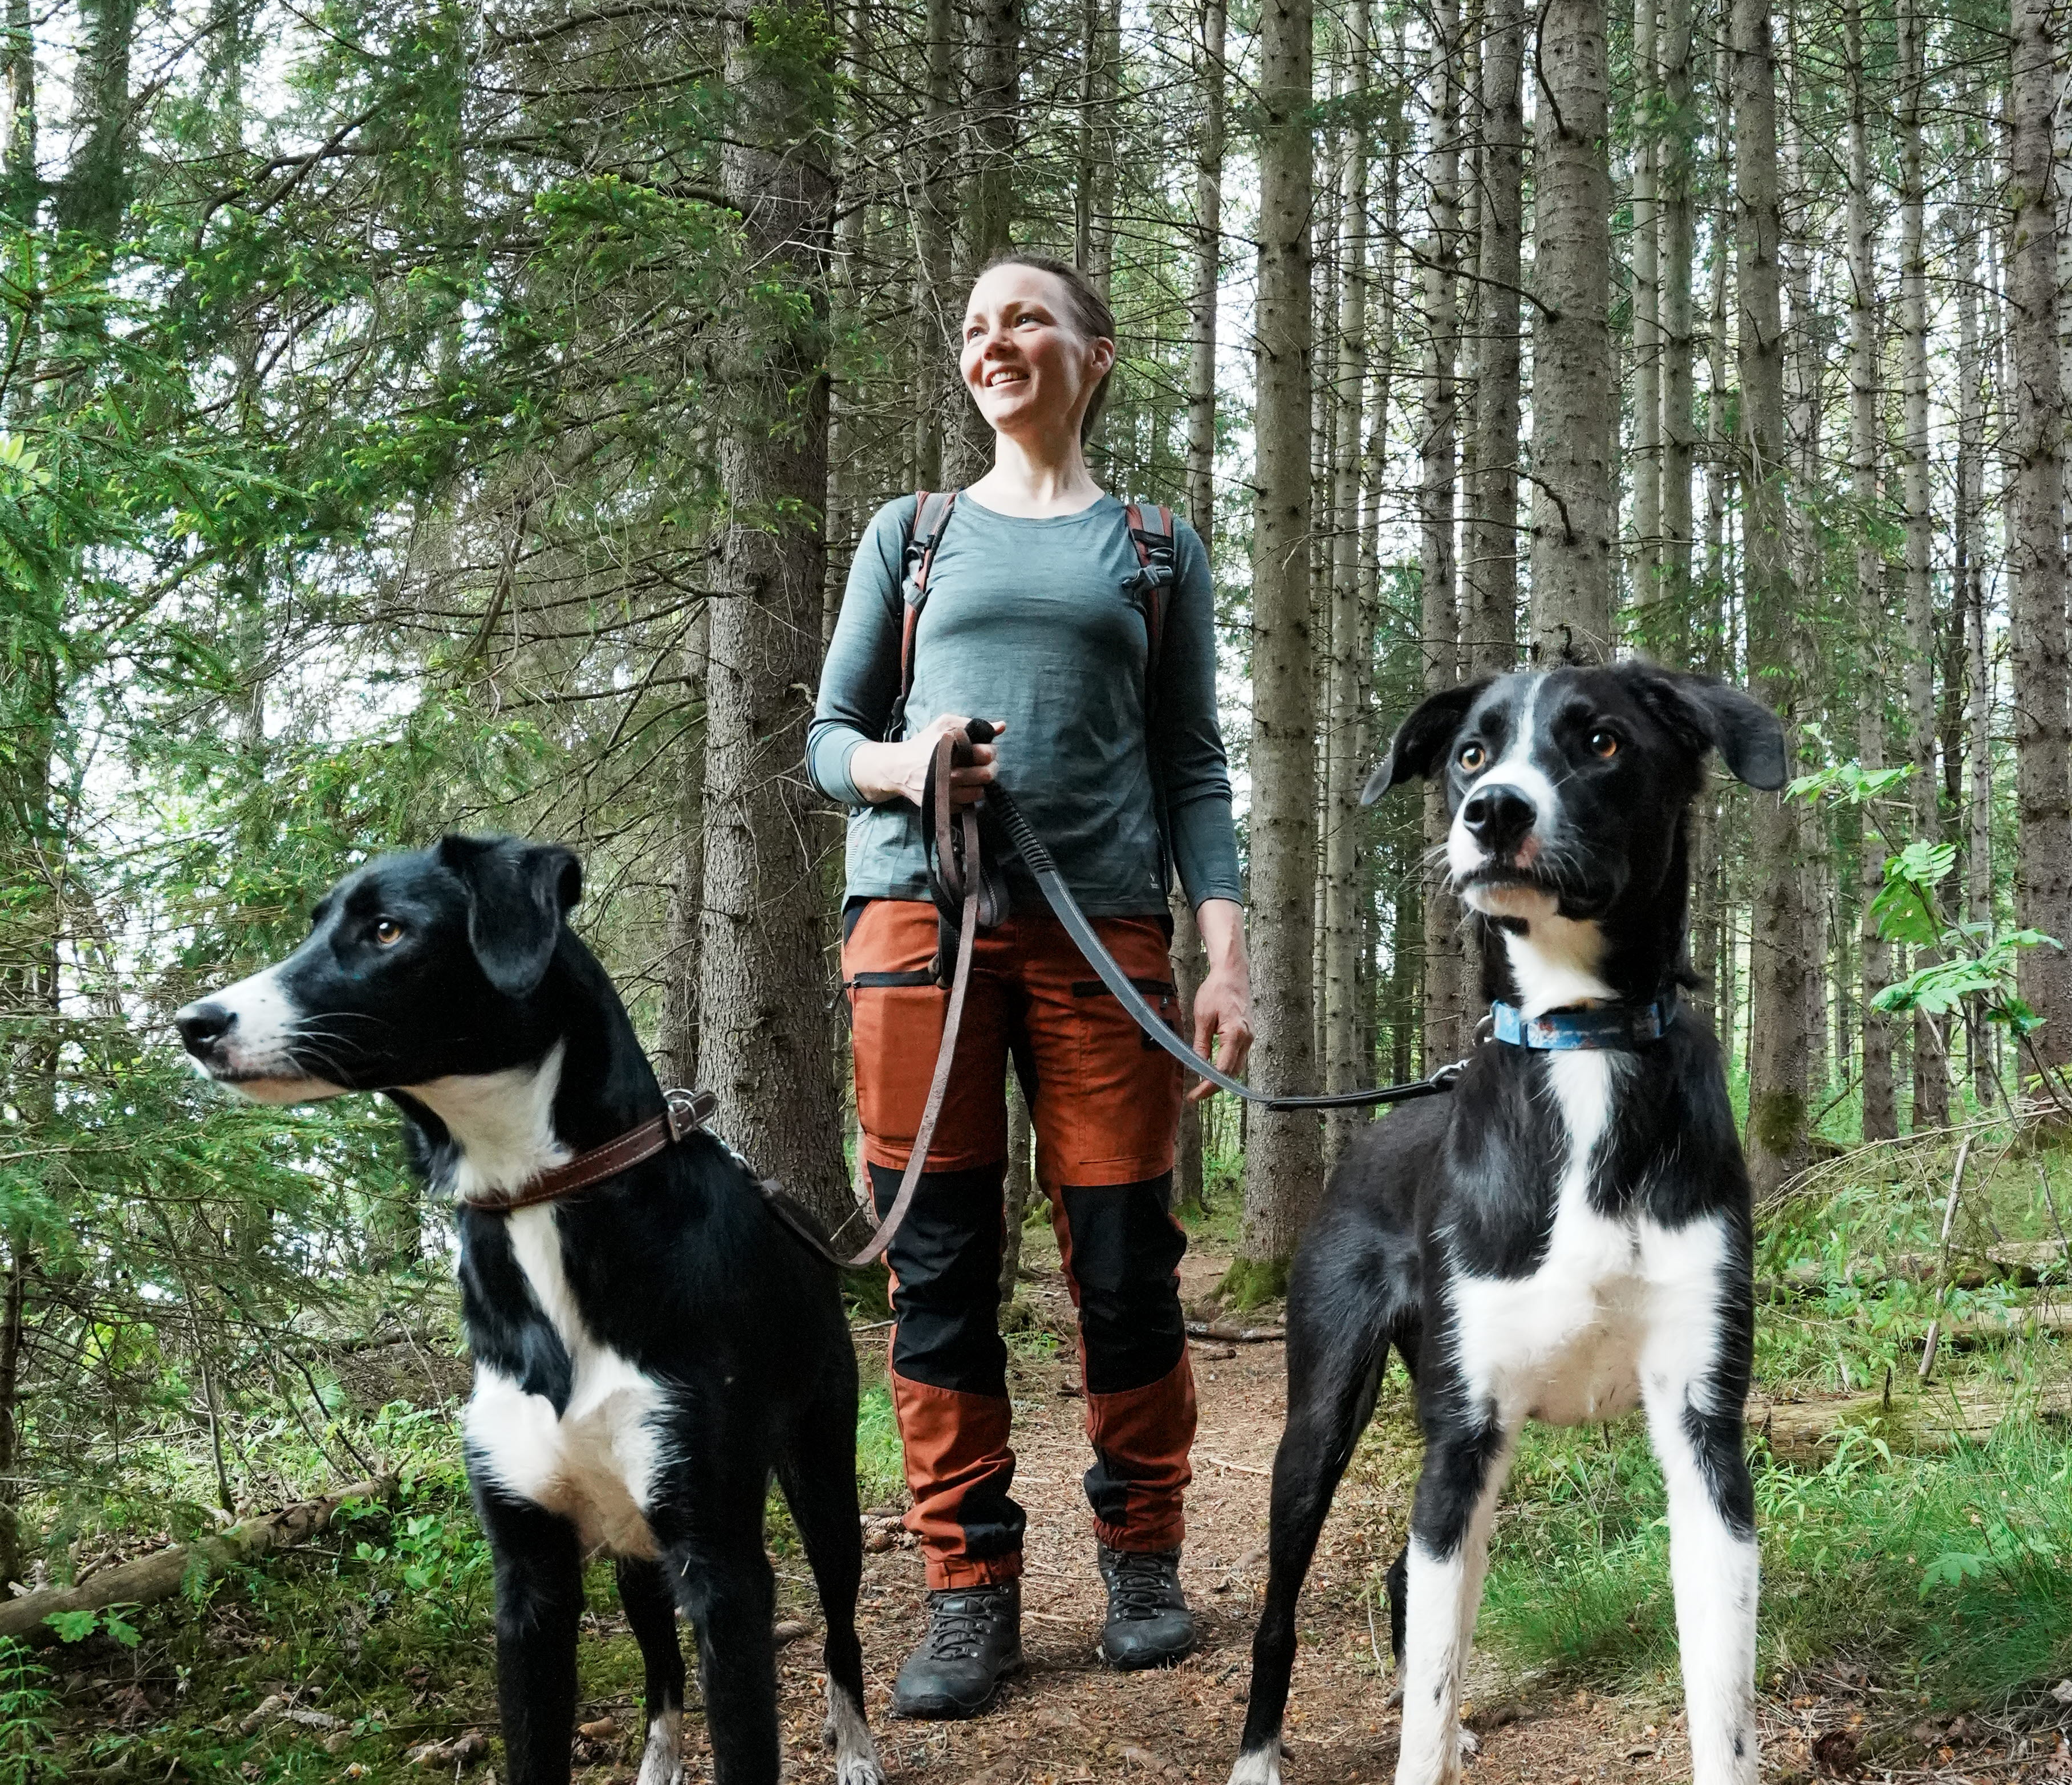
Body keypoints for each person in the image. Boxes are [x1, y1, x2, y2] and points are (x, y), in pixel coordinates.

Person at [806, 254, 1253, 1718]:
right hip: (915, 931)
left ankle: (1142, 1555)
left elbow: (1191, 765)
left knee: (1125, 1257)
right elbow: (826, 739)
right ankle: (964, 1590)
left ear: (1094, 354)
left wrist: (1224, 950)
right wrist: (906, 759)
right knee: (935, 1263)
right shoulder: (911, 532)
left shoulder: (1153, 544)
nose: (994, 342)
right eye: (976, 326)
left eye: (1026, 319)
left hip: (1104, 934)